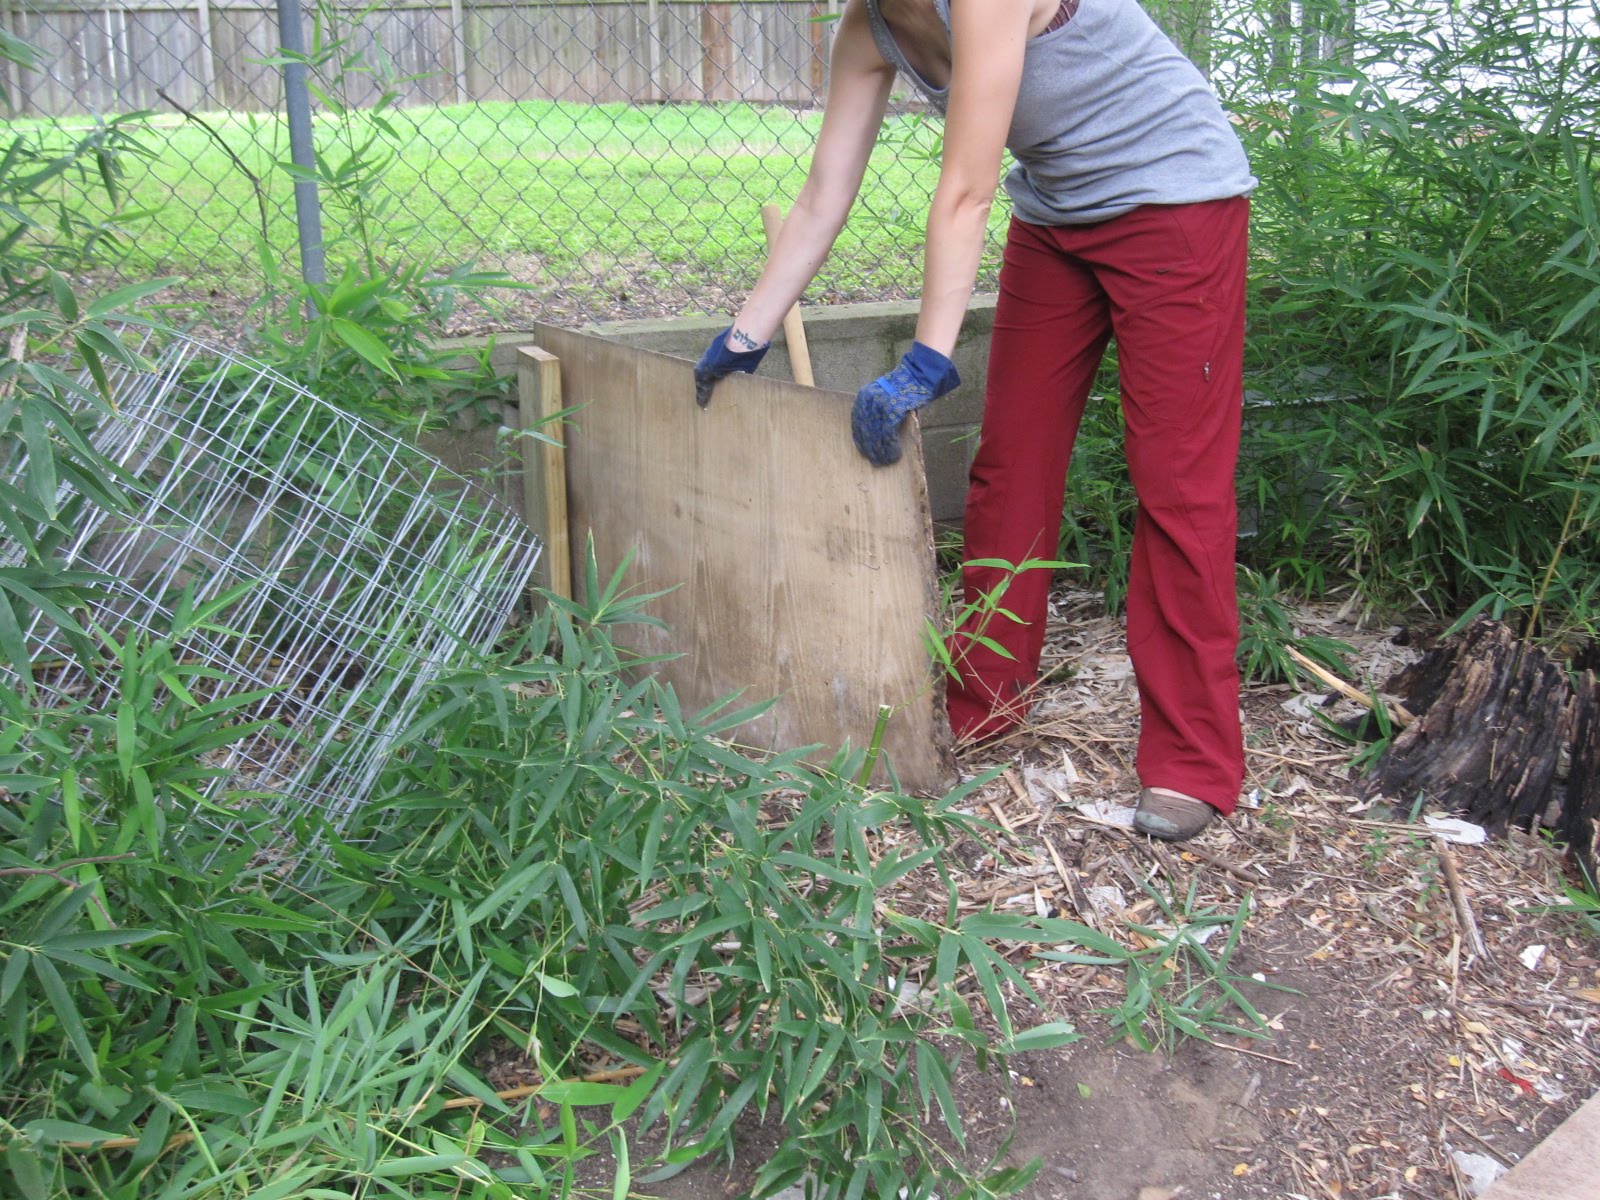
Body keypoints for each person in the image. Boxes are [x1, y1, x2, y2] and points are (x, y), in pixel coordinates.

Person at [693, 0, 1256, 842]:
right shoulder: (869, 28)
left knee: (1178, 487)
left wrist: (927, 359)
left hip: (1175, 200)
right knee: (1010, 468)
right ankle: (986, 701)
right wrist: (746, 333)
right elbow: (820, 198)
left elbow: (965, 191)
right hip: (1060, 215)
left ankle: (1192, 763)